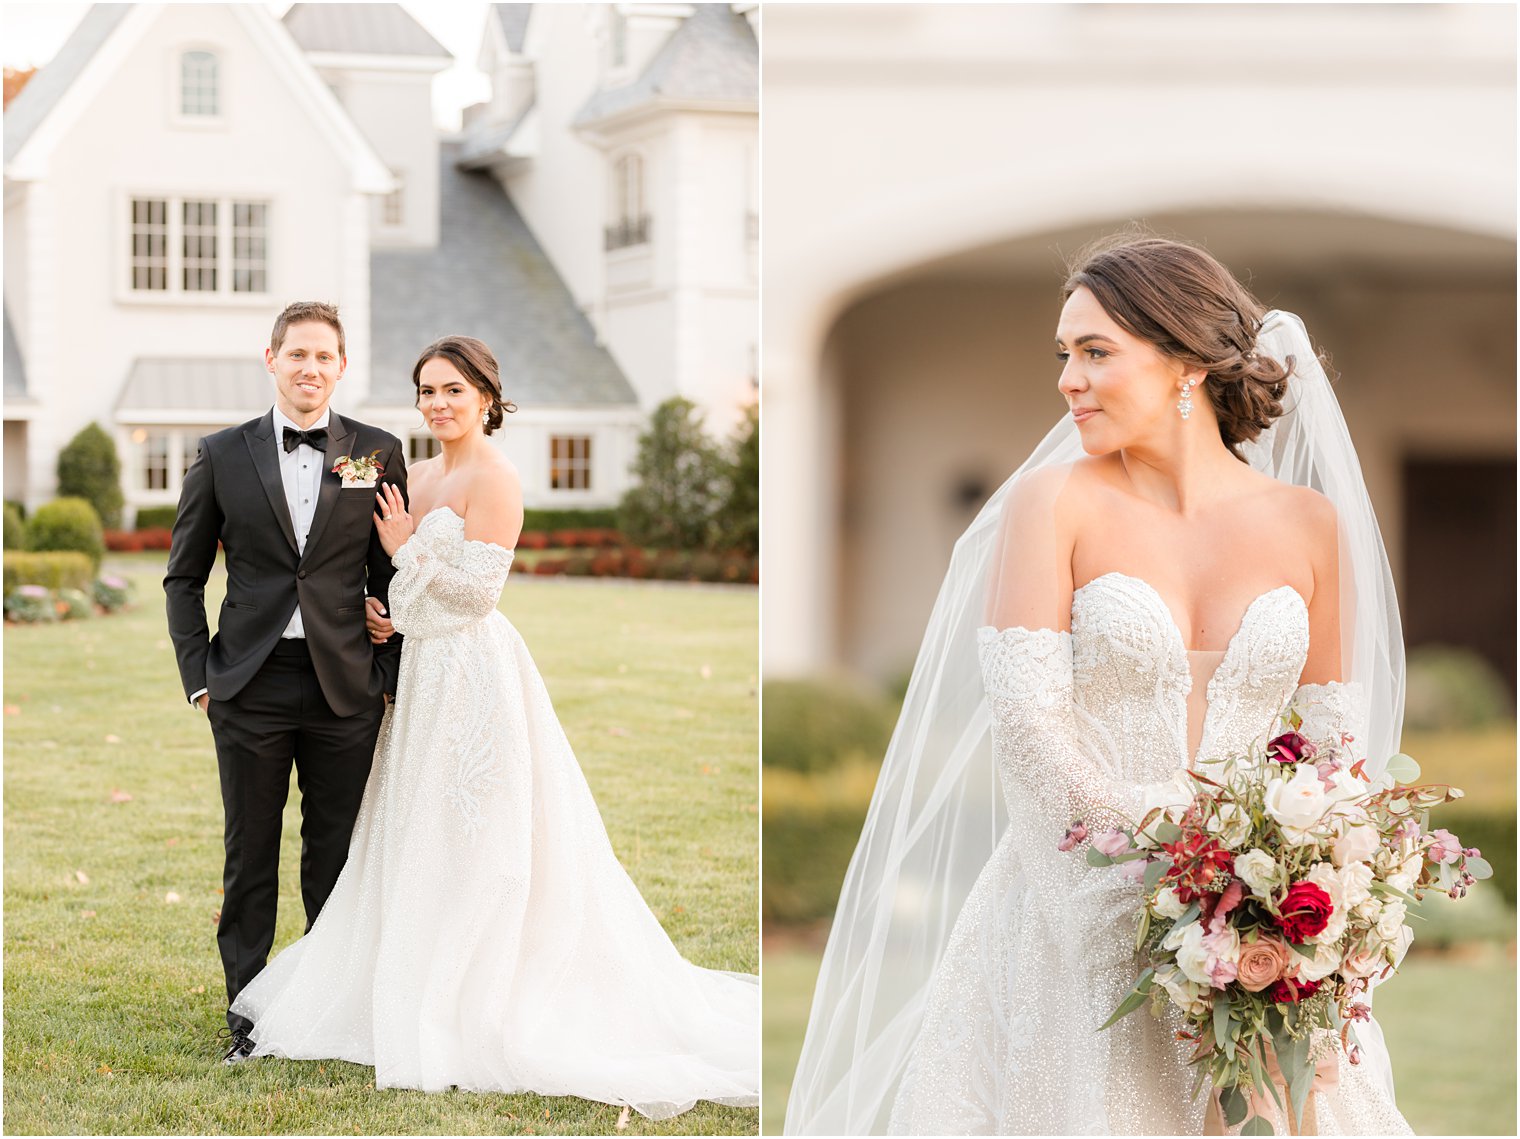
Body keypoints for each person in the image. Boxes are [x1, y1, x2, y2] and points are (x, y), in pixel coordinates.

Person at [784, 236, 1411, 1135]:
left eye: (1096, 351)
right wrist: (1183, 870)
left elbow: (1332, 747)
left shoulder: (1313, 526)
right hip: (1074, 909)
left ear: (1187, 362)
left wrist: (1298, 890)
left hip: (1271, 928)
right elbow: (1032, 731)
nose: (1069, 379)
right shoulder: (1053, 505)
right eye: (1064, 354)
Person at [229, 335, 759, 1120]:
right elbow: (401, 581)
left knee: (479, 835)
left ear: (486, 396)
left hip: (473, 676)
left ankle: (481, 992)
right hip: (419, 678)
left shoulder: (495, 476)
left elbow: (479, 595)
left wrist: (408, 555)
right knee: (418, 830)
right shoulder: (413, 469)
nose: (438, 404)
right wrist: (387, 613)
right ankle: (406, 972)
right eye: (426, 391)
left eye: (452, 390)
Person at [164, 301, 408, 1065]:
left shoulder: (375, 450)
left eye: (323, 356)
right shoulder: (221, 453)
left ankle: (324, 1011)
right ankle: (248, 1019)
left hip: (346, 688)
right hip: (248, 685)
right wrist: (200, 678)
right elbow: (183, 576)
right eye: (296, 353)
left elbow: (391, 575)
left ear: (341, 367)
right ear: (270, 359)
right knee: (250, 854)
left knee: (335, 854)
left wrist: (387, 673)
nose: (309, 368)